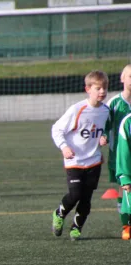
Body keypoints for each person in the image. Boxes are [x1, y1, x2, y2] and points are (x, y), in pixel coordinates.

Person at [51, 70, 111, 241]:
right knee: (75, 194)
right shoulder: (77, 109)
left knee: (86, 198)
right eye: (98, 88)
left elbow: (106, 130)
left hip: (94, 162)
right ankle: (59, 214)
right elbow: (57, 129)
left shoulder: (106, 111)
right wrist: (64, 147)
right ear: (88, 89)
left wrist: (104, 137)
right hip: (75, 161)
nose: (102, 92)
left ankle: (76, 228)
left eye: (105, 88)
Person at [106, 64, 131, 239]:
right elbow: (103, 125)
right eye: (130, 76)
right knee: (124, 188)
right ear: (122, 79)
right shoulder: (114, 103)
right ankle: (126, 224)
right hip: (118, 155)